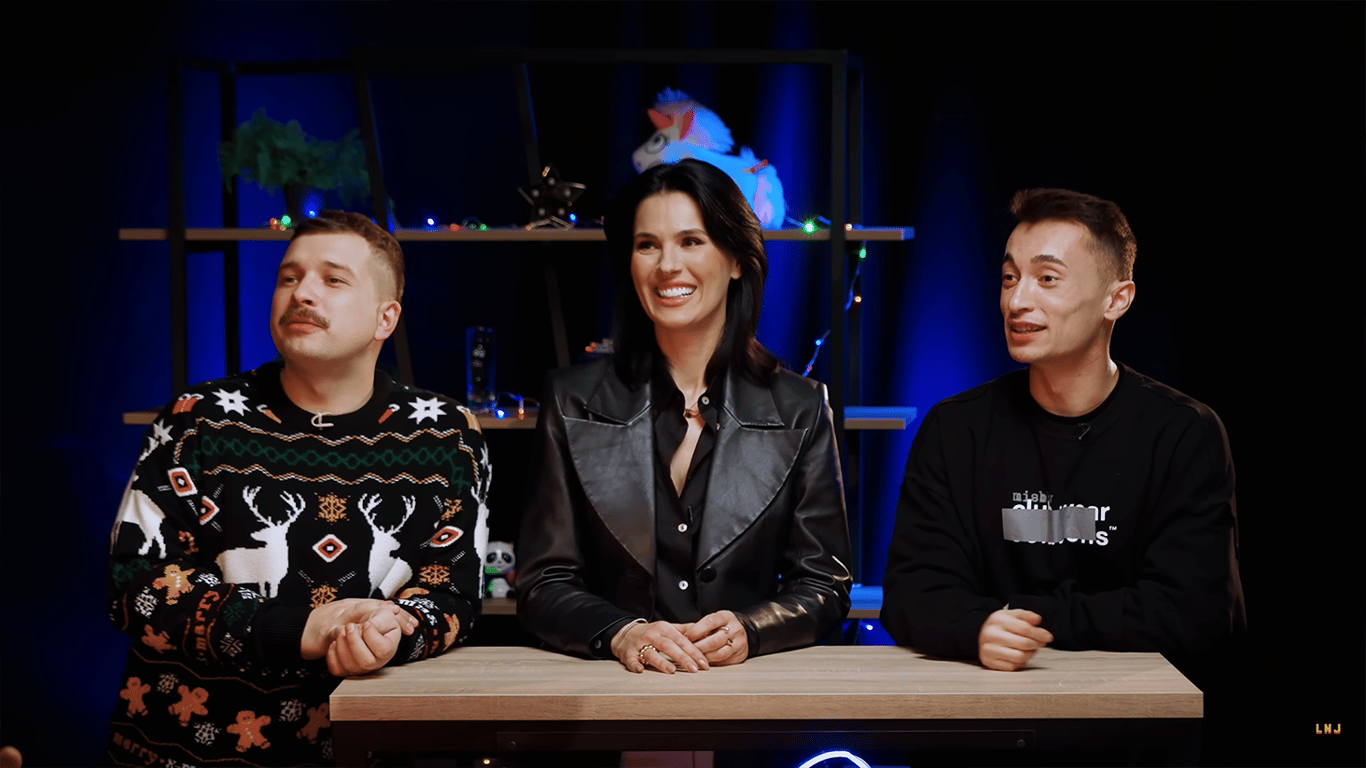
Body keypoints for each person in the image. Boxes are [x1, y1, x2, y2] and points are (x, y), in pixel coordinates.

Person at [104, 211, 491, 766]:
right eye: (289, 277)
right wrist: (299, 629)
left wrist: (392, 636)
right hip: (188, 746)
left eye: (333, 279)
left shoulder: (447, 436)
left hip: (364, 747)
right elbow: (136, 584)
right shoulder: (197, 421)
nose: (302, 293)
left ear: (385, 317)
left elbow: (452, 594)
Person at [881, 188, 1245, 673]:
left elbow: (1199, 614)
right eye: (1009, 278)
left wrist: (1013, 617)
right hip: (988, 704)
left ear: (1117, 299)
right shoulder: (956, 428)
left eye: (1047, 279)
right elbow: (909, 595)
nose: (1017, 300)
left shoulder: (1183, 433)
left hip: (1133, 707)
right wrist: (977, 630)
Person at [517, 159, 852, 674]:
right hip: (609, 690)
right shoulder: (571, 399)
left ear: (737, 260)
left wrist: (752, 629)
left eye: (691, 241)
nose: (667, 265)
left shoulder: (800, 407)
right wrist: (622, 633)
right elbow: (542, 583)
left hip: (745, 693)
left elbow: (825, 584)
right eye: (647, 245)